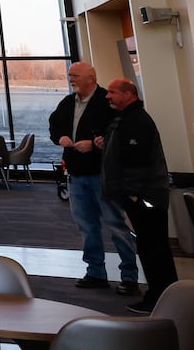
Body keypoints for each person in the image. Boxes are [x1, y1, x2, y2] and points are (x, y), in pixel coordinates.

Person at [49, 61, 139, 295]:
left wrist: (97, 145)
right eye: (69, 75)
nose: (71, 79)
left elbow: (120, 132)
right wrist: (60, 138)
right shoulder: (68, 103)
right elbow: (54, 125)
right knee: (87, 226)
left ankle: (129, 275)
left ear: (91, 78)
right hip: (76, 175)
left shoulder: (106, 102)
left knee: (115, 225)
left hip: (102, 175)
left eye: (75, 75)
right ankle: (96, 272)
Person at [99, 77, 177, 313]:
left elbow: (137, 161)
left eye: (112, 92)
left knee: (154, 248)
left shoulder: (137, 121)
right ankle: (161, 295)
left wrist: (132, 193)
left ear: (128, 94)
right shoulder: (125, 119)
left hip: (145, 196)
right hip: (140, 194)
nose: (108, 96)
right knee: (149, 246)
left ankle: (161, 298)